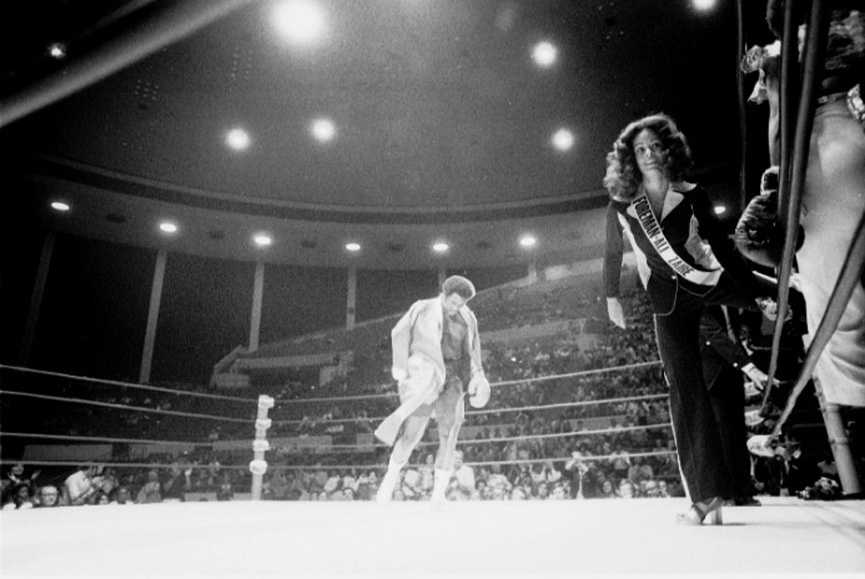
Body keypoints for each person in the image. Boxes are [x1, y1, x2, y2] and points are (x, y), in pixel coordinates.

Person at [603, 113, 780, 525]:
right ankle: (706, 497)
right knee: (685, 393)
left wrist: (756, 295)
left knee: (776, 297)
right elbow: (612, 252)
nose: (647, 155)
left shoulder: (692, 193)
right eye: (639, 150)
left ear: (669, 149)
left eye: (654, 147)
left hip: (704, 281)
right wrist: (611, 295)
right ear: (630, 157)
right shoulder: (622, 205)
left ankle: (786, 308)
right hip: (667, 300)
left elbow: (724, 248)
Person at [737, 2, 865, 408]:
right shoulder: (779, 52)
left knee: (840, 312)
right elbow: (763, 91)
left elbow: (771, 107)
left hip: (824, 142)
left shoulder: (783, 53)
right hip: (822, 143)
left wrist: (779, 181)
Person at [374, 275, 488, 503]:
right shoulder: (422, 308)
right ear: (443, 294)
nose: (456, 307)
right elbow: (399, 332)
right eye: (453, 302)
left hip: (454, 378)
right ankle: (388, 483)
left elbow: (473, 349)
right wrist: (400, 366)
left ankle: (438, 494)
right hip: (425, 375)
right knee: (411, 435)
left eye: (462, 304)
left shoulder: (468, 318)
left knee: (450, 433)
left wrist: (478, 376)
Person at [700, 305, 768, 506]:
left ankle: (743, 491)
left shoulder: (727, 297)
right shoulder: (698, 295)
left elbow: (735, 330)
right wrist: (748, 366)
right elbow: (714, 334)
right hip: (714, 371)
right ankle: (728, 494)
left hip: (733, 367)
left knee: (738, 430)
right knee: (723, 433)